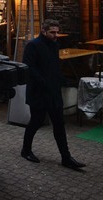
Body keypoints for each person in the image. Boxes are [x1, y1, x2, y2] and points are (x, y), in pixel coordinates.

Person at [21, 18, 86, 170]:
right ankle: (26, 150)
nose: (56, 35)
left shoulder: (54, 45)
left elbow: (54, 66)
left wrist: (61, 80)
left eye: (57, 32)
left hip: (53, 92)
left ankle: (66, 157)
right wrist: (44, 82)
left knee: (59, 125)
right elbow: (30, 68)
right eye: (52, 32)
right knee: (35, 122)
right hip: (38, 92)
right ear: (43, 31)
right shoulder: (33, 45)